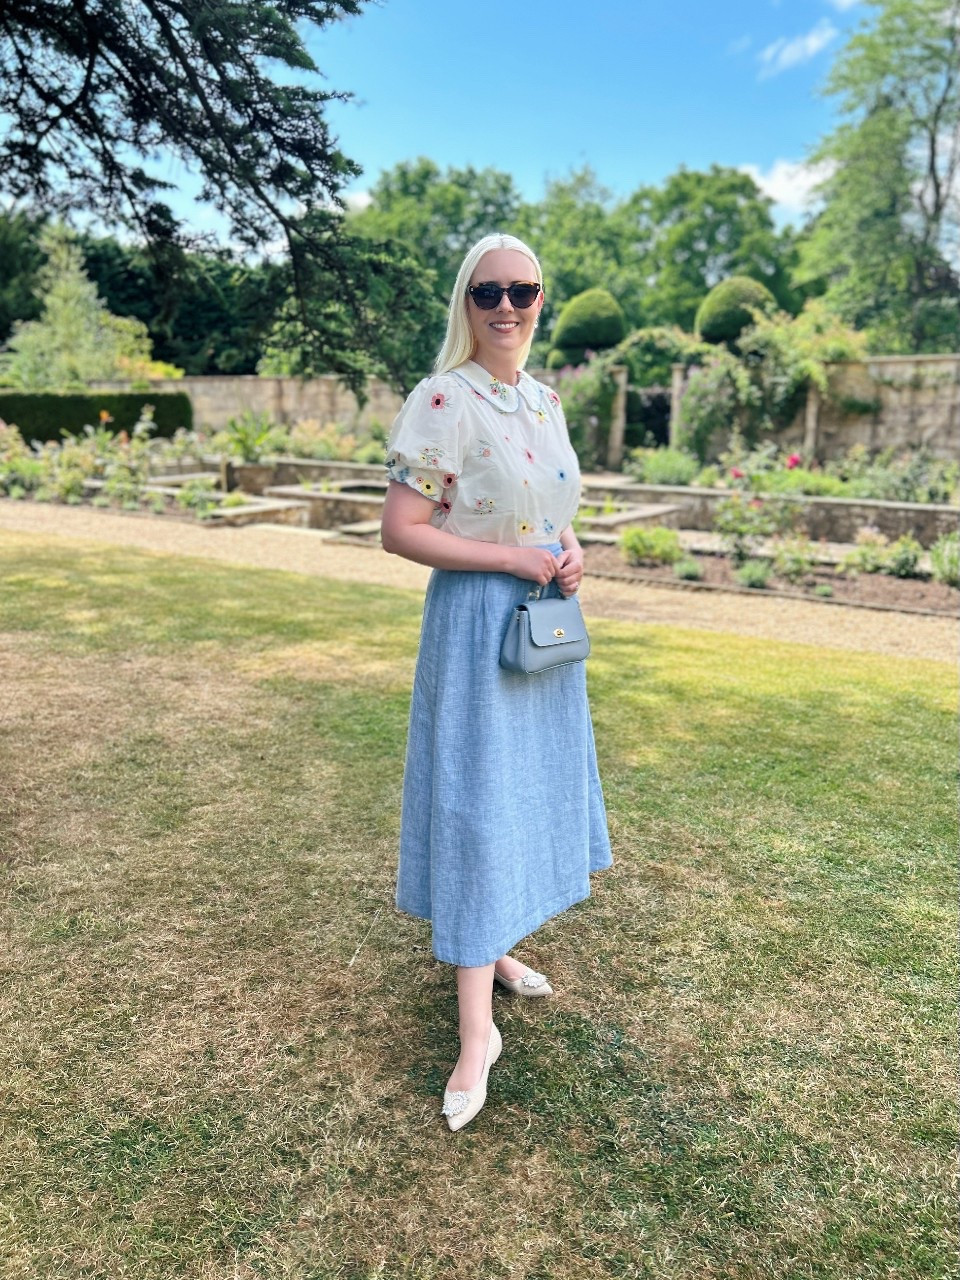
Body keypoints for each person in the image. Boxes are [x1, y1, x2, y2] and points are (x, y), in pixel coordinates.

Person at [380, 233, 612, 1131]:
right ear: (465, 303)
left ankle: (495, 947)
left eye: (524, 290)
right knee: (479, 799)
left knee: (521, 794)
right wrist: (511, 556)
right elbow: (402, 530)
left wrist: (566, 547)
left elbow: (549, 510)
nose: (508, 306)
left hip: (540, 622)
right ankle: (478, 1032)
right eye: (490, 292)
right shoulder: (443, 397)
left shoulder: (545, 401)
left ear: (542, 299)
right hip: (477, 623)